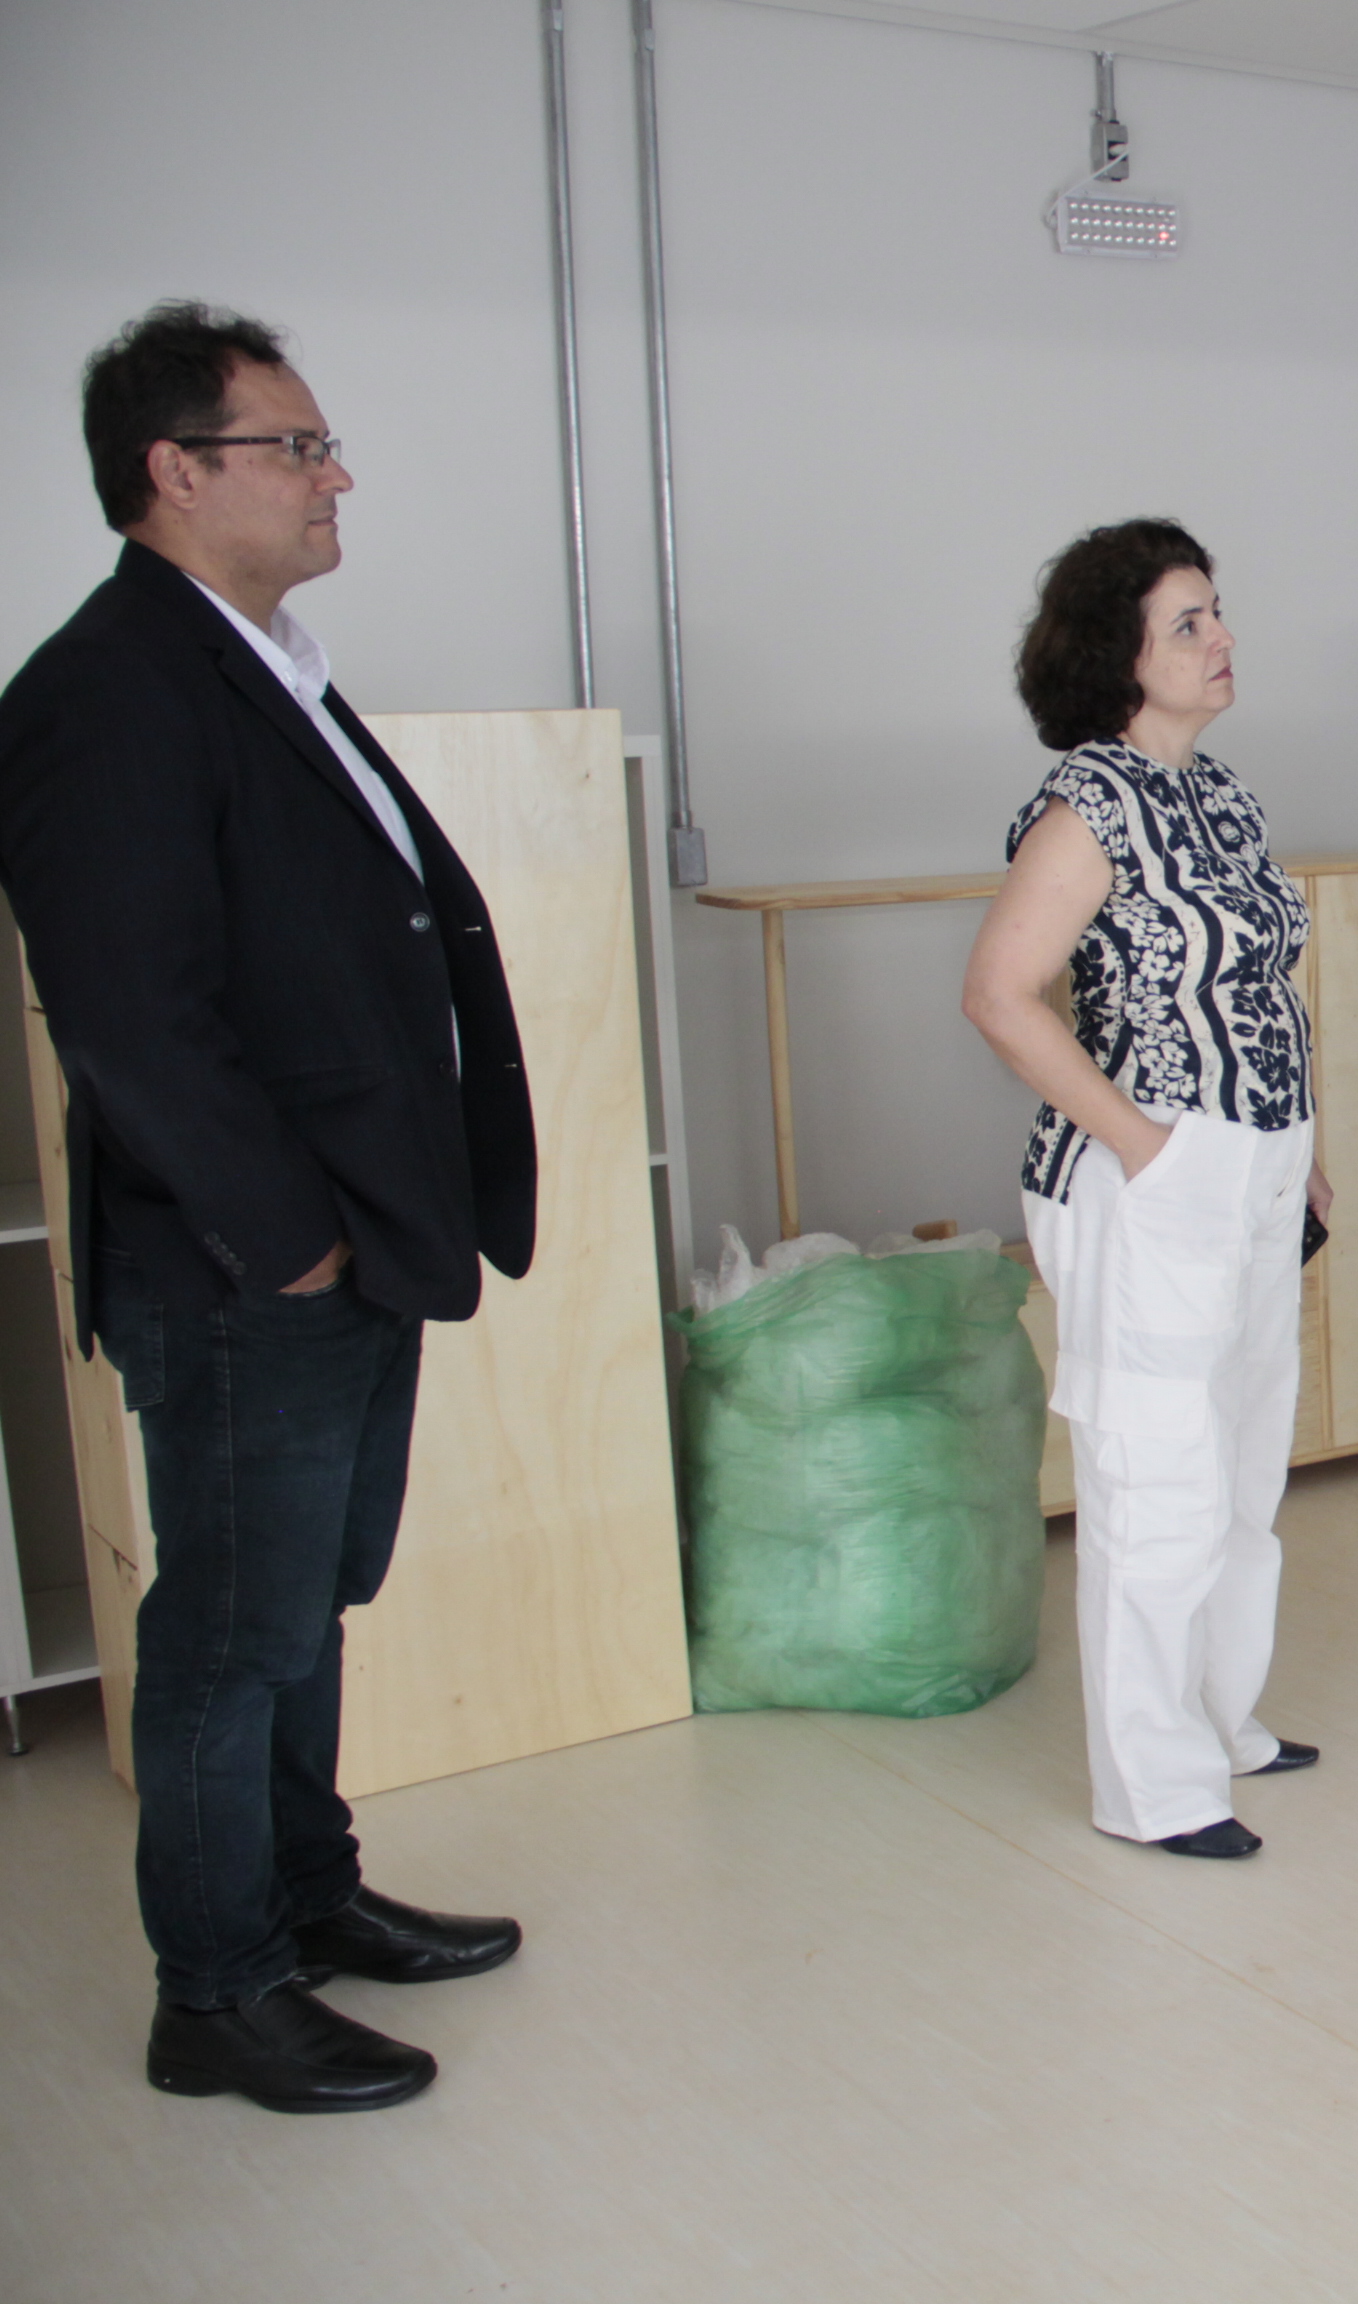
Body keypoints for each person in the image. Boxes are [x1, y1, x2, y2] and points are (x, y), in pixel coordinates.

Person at [0, 304, 538, 2111]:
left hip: (350, 1239)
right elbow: (130, 1018)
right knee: (231, 1637)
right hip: (251, 1268)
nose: (336, 475)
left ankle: (309, 1893)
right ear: (176, 470)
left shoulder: (263, 664)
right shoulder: (105, 692)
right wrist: (289, 1242)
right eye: (297, 446)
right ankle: (217, 1991)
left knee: (304, 1607)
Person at [962, 519, 1331, 1862]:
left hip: (1257, 1162)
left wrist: (1305, 1150)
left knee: (1240, 1469)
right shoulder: (1089, 805)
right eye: (1188, 623)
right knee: (1157, 1479)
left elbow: (1266, 986)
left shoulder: (1223, 794)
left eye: (1216, 611)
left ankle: (1220, 1722)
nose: (1221, 637)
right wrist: (1146, 1147)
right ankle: (1153, 1786)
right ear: (1117, 656)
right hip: (1149, 1178)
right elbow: (999, 995)